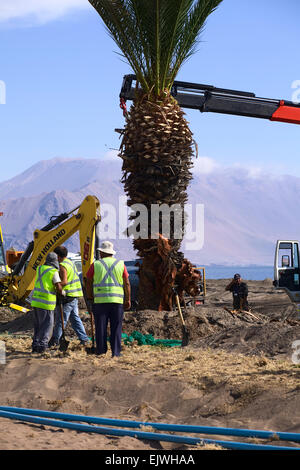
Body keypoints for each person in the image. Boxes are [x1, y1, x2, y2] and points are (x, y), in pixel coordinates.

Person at [86, 241, 131, 357]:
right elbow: (126, 283)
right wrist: (128, 299)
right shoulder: (121, 264)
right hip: (117, 302)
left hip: (100, 302)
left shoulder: (95, 265)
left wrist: (90, 296)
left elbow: (89, 281)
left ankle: (101, 351)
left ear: (101, 252)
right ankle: (116, 352)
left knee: (100, 327)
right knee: (116, 327)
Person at [50, 245, 89, 346]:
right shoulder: (70, 262)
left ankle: (55, 341)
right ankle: (84, 339)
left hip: (67, 296)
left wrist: (55, 286)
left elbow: (64, 281)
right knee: (75, 318)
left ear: (58, 256)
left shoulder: (62, 265)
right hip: (74, 295)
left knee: (61, 320)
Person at [31, 252, 63, 353]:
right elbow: (58, 286)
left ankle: (35, 345)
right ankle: (42, 346)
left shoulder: (39, 268)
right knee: (47, 325)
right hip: (46, 302)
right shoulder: (53, 271)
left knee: (38, 325)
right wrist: (63, 292)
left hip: (36, 301)